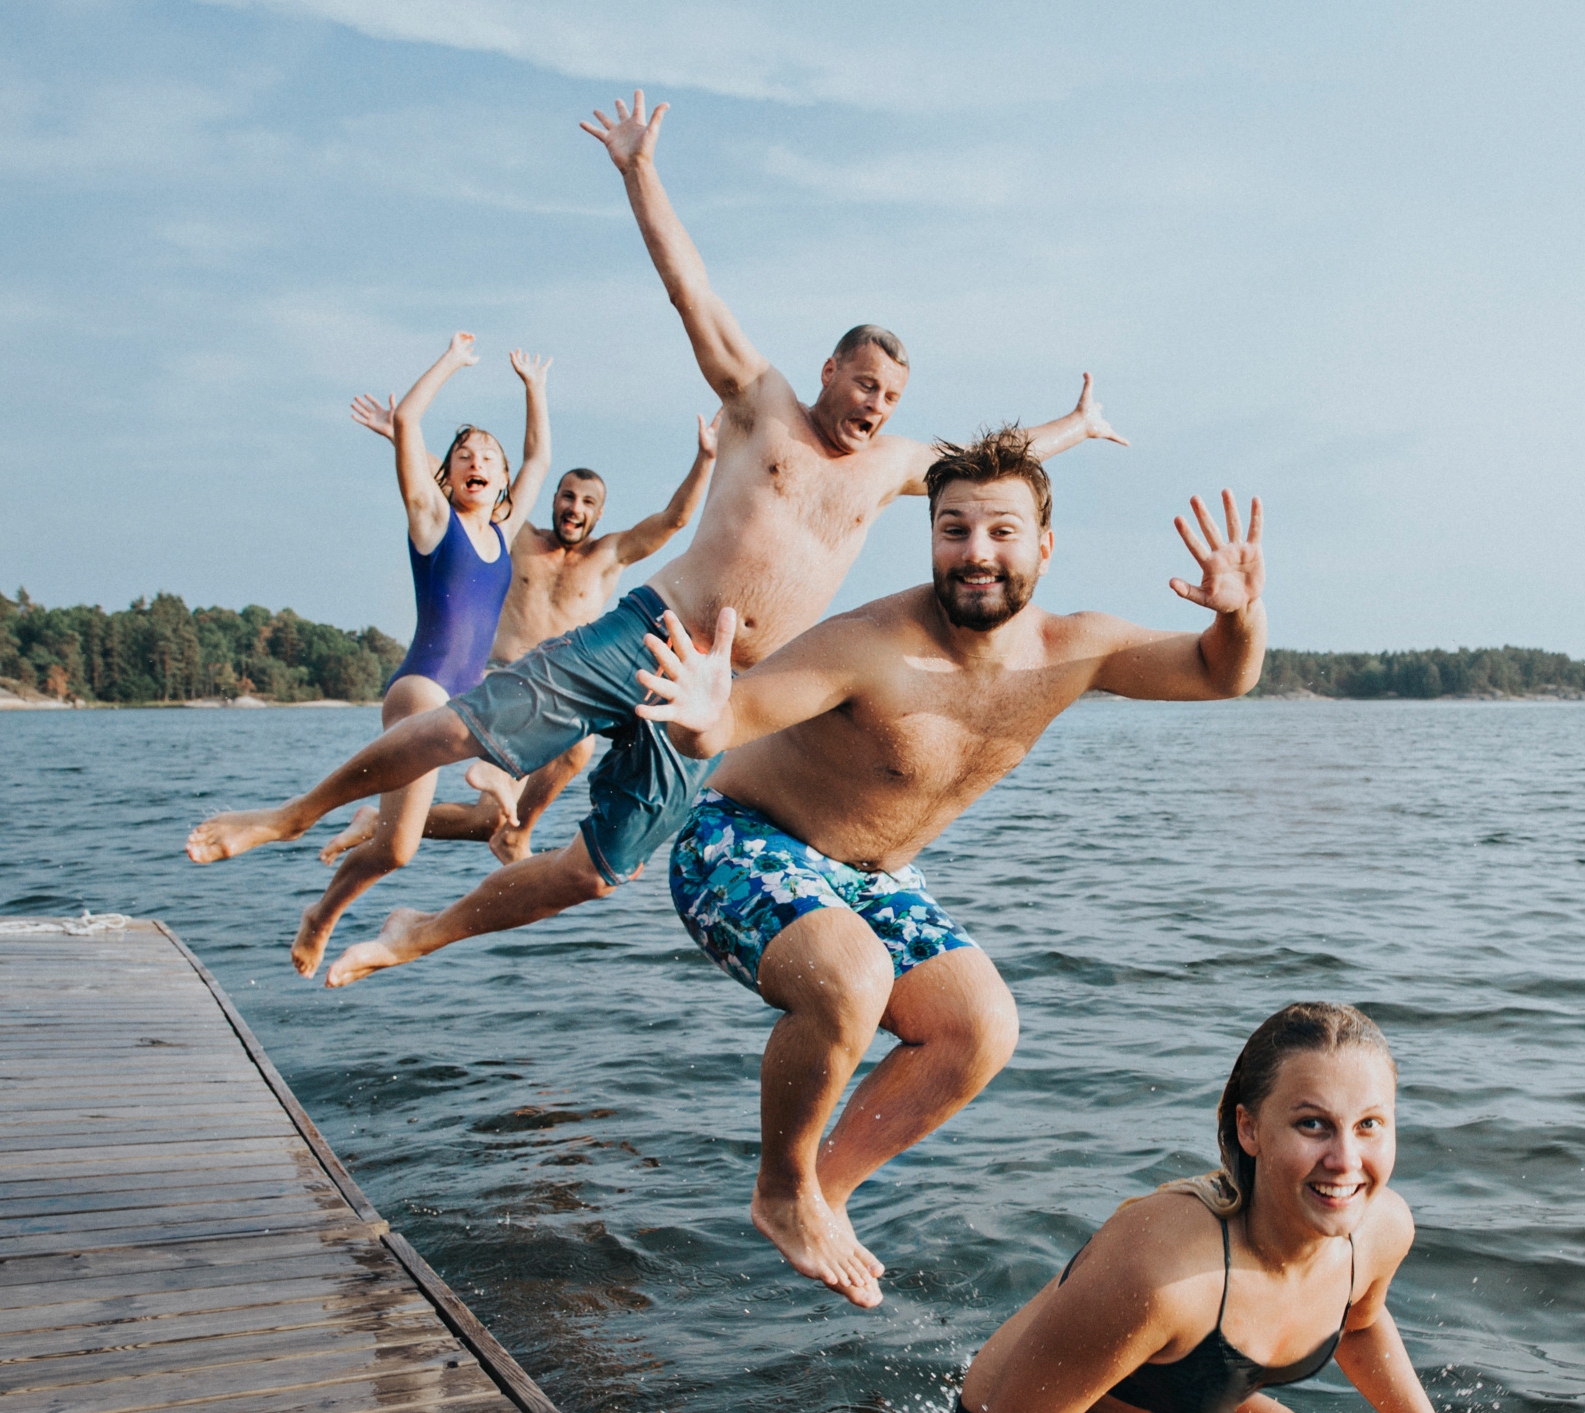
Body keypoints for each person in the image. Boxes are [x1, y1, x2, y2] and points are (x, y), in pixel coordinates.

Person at [185, 89, 1127, 985]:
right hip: (646, 635)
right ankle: (293, 811)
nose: (877, 407)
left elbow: (990, 462)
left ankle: (421, 929)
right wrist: (639, 172)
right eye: (866, 384)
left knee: (595, 869)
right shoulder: (762, 406)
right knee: (460, 730)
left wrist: (1075, 429)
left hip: (720, 698)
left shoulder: (893, 469)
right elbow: (691, 289)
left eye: (891, 398)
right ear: (831, 368)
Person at [623, 427, 1265, 1309]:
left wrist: (1237, 612)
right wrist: (700, 710)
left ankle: (824, 1192)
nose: (976, 554)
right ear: (930, 538)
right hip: (740, 842)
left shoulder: (1075, 650)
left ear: (1044, 545)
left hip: (871, 876)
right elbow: (730, 720)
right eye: (954, 529)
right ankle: (780, 1188)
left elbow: (1219, 673)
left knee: (981, 1025)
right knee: (854, 977)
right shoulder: (871, 644)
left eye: (1001, 531)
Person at [951, 1003, 1516, 1413]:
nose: (1345, 1158)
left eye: (1369, 1125)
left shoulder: (1380, 1228)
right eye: (1312, 1124)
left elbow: (1359, 1323)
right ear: (1249, 1128)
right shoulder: (1166, 1271)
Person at [320, 411, 720, 868]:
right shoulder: (518, 537)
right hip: (494, 685)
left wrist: (705, 457)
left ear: (600, 512)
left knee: (485, 822)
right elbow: (463, 476)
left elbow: (674, 518)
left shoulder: (609, 555)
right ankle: (502, 823)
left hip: (561, 698)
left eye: (587, 501)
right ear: (553, 498)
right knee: (579, 743)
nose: (575, 507)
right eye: (568, 496)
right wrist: (404, 437)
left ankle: (419, 825)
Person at [286, 332, 551, 977]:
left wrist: (534, 390)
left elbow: (539, 459)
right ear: (448, 474)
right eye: (464, 454)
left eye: (487, 455)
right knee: (507, 711)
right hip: (419, 692)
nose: (477, 460)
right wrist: (453, 363)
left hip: (460, 704)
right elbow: (407, 419)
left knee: (399, 850)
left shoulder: (501, 531)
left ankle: (322, 912)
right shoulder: (433, 522)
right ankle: (487, 762)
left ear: (500, 481)